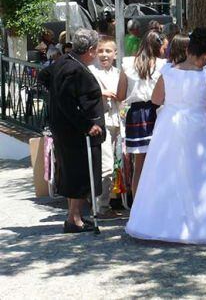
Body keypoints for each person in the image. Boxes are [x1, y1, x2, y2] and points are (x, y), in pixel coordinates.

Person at [126, 28, 206, 244]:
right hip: (199, 126)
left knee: (166, 170)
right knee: (202, 173)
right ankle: (204, 221)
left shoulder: (168, 72)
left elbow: (157, 99)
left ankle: (162, 221)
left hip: (170, 124)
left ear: (188, 50)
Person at [38, 29, 105, 233]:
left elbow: (44, 76)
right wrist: (87, 125)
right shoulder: (73, 68)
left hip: (68, 128)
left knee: (72, 171)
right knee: (78, 172)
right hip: (75, 130)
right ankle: (74, 218)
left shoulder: (65, 61)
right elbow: (67, 102)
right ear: (91, 50)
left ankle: (73, 216)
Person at [117, 30, 166, 198]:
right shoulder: (163, 65)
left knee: (139, 164)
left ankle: (137, 207)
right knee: (158, 161)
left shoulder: (128, 63)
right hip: (157, 112)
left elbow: (120, 95)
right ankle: (155, 202)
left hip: (136, 113)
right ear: (159, 46)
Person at [88, 37, 122, 219]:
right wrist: (102, 93)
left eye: (108, 51)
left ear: (115, 54)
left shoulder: (117, 72)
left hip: (116, 121)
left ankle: (104, 203)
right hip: (101, 123)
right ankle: (100, 206)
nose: (104, 55)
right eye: (101, 51)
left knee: (113, 164)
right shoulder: (91, 72)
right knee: (106, 165)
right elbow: (84, 91)